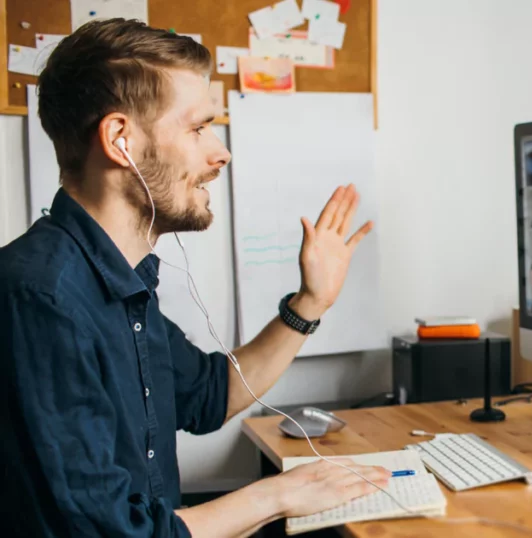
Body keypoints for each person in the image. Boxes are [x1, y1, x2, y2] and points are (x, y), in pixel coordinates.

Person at [0, 20, 389, 537]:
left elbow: (210, 395)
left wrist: (310, 302)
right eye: (198, 128)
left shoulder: (117, 280)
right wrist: (277, 493)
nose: (220, 153)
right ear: (120, 140)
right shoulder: (42, 296)